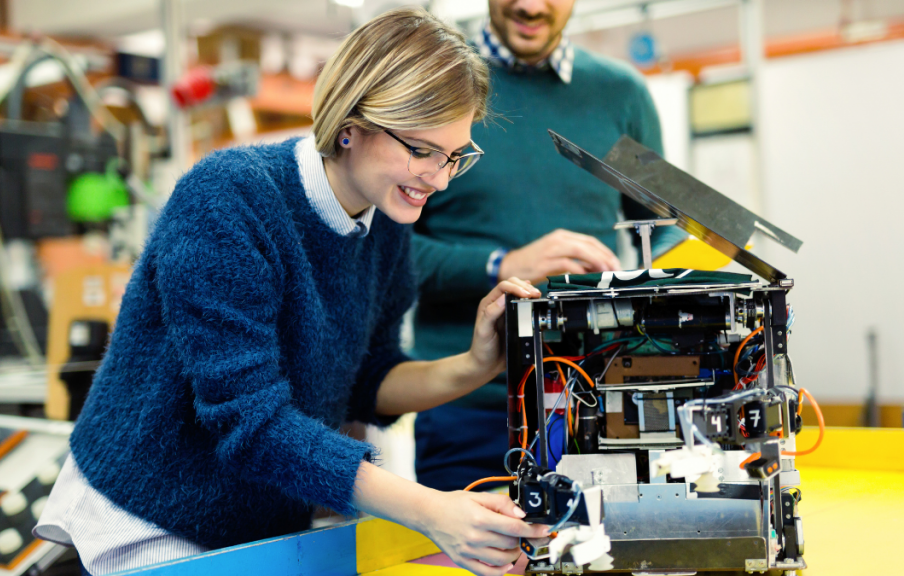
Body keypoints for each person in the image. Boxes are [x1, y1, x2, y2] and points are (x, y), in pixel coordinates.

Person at [33, 8, 550, 576]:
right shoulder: (229, 200)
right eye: (421, 151)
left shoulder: (385, 226)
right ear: (351, 124)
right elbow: (251, 424)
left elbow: (368, 381)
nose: (441, 178)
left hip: (257, 517)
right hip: (152, 511)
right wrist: (431, 511)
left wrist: (477, 363)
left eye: (455, 156)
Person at [411, 0, 686, 491]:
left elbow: (666, 224)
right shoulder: (434, 83)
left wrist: (652, 284)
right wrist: (502, 265)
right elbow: (387, 254)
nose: (531, 6)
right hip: (467, 402)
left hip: (591, 395)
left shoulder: (621, 94)